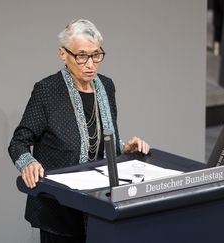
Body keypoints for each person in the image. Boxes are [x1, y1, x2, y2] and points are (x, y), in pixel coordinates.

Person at [8, 19, 150, 243]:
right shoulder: (47, 91)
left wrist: (124, 147)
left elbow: (102, 138)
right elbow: (18, 142)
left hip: (100, 204)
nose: (90, 64)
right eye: (81, 56)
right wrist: (29, 164)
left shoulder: (107, 86)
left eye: (96, 55)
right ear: (63, 54)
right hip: (59, 209)